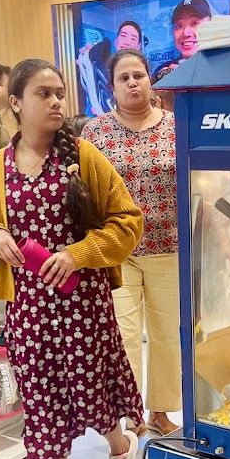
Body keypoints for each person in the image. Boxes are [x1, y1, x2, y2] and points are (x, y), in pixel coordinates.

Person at [0, 58, 144, 459]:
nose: (56, 103)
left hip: (83, 307)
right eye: (44, 93)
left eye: (60, 93)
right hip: (28, 311)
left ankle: (119, 447)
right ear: (15, 103)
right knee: (44, 412)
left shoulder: (84, 157)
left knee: (94, 399)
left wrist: (77, 254)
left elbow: (128, 221)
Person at [82, 50, 181, 437]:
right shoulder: (95, 133)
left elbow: (197, 184)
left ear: (149, 80)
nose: (133, 83)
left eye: (138, 75)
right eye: (123, 78)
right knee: (122, 335)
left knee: (167, 334)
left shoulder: (176, 126)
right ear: (112, 87)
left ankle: (160, 410)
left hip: (169, 245)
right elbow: (83, 190)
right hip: (115, 251)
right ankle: (131, 413)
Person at [77, 19, 143, 115]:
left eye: (133, 38)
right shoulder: (100, 64)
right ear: (116, 41)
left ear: (138, 46)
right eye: (123, 36)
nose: (127, 42)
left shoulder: (143, 71)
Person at [152, 0, 212, 83]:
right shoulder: (163, 72)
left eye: (194, 23)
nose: (185, 33)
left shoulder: (224, 65)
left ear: (212, 25)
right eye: (179, 26)